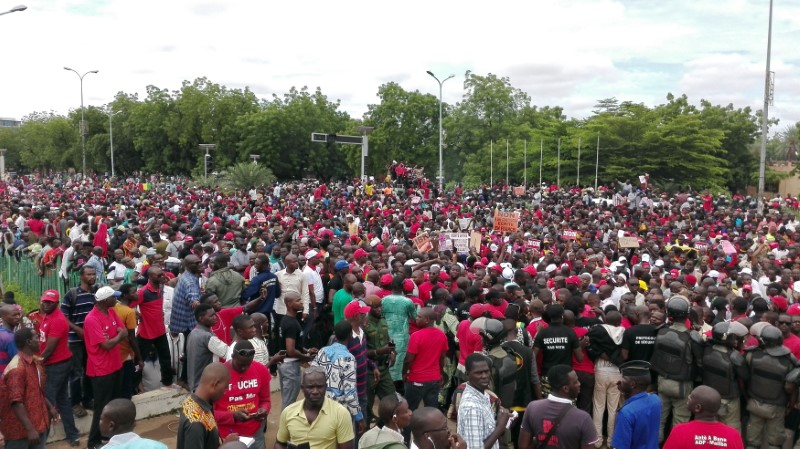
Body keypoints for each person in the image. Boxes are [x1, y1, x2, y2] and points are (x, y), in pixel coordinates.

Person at [650, 295, 703, 443]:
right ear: (687, 314)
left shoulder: (661, 332)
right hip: (682, 385)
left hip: (662, 381)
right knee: (680, 423)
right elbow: (700, 363)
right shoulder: (692, 337)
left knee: (659, 422)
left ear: (669, 314)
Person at [84, 286, 127, 449]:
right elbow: (107, 345)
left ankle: (109, 438)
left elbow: (122, 331)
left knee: (114, 404)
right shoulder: (92, 319)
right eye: (113, 297)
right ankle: (93, 442)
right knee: (102, 407)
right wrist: (118, 336)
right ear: (104, 300)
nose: (116, 300)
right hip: (101, 370)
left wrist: (116, 336)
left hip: (116, 365)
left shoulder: (111, 312)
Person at [0, 328, 57, 449]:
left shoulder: (34, 363)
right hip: (20, 432)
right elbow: (16, 402)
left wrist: (50, 407)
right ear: (28, 342)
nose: (40, 340)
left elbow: (36, 390)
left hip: (36, 425)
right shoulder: (17, 368)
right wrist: (30, 429)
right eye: (36, 337)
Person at [518, 364, 599, 449]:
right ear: (565, 388)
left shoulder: (532, 408)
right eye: (575, 382)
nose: (579, 384)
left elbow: (523, 446)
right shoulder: (583, 418)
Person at [38, 289, 81, 447]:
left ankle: (41, 442)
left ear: (56, 303)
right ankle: (73, 436)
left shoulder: (57, 319)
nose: (46, 304)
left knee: (47, 403)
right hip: (58, 363)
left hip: (56, 365)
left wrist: (38, 362)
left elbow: (49, 349)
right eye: (44, 301)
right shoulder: (48, 316)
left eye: (50, 302)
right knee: (63, 400)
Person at [276, 366, 355, 449]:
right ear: (302, 388)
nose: (315, 392)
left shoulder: (340, 413)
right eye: (310, 387)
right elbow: (280, 443)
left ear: (326, 387)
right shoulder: (288, 412)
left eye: (320, 387)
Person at [744, 324, 796, 449]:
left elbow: (745, 378)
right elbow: (790, 387)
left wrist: (746, 396)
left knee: (752, 441)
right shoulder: (789, 360)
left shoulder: (751, 355)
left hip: (754, 402)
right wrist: (791, 405)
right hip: (777, 407)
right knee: (774, 443)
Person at [213, 341, 272, 449]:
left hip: (255, 433)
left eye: (248, 365)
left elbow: (266, 401)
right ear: (232, 356)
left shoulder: (261, 370)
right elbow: (210, 413)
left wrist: (264, 410)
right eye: (240, 365)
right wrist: (233, 416)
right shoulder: (219, 375)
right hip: (230, 436)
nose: (244, 368)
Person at [311, 320, 363, 431]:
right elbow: (350, 392)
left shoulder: (322, 351)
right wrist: (359, 417)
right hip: (339, 411)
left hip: (320, 407)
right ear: (350, 335)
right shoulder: (348, 359)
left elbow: (311, 375)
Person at [62, 265, 98, 418]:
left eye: (94, 274)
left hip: (92, 340)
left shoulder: (96, 293)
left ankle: (88, 399)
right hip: (76, 340)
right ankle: (75, 403)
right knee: (76, 372)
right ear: (81, 276)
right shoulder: (72, 294)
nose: (92, 277)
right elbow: (63, 316)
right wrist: (78, 330)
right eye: (89, 274)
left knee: (90, 370)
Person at [177, 362, 239, 449]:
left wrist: (222, 442)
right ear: (215, 384)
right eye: (225, 387)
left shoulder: (195, 401)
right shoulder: (196, 423)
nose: (225, 392)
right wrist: (225, 446)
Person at [702, 321, 749, 431]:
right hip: (729, 399)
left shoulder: (707, 349)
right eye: (734, 338)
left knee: (709, 427)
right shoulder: (735, 357)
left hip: (709, 396)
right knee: (731, 428)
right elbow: (745, 376)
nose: (736, 340)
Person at [131, 266, 174, 388]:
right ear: (150, 277)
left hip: (160, 331)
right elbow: (128, 306)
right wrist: (136, 314)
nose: (162, 277)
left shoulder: (160, 289)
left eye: (162, 274)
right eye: (158, 275)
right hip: (146, 333)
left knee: (166, 358)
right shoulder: (143, 292)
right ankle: (133, 387)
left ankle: (167, 382)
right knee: (139, 362)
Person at [457, 353, 510, 449]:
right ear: (467, 374)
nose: (484, 376)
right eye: (478, 373)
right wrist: (500, 427)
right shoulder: (471, 407)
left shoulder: (483, 394)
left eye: (487, 371)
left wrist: (499, 419)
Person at [663, 386, 744, 449]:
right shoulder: (733, 435)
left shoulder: (680, 432)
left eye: (691, 397)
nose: (688, 397)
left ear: (697, 408)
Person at [403, 307, 448, 411]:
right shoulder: (442, 335)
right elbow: (442, 358)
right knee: (431, 410)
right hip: (434, 379)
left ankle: (408, 428)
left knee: (409, 410)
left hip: (416, 379)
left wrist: (404, 373)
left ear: (427, 320)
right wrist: (440, 373)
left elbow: (408, 359)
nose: (416, 318)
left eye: (419, 317)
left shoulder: (416, 336)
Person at [278, 292, 317, 409]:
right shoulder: (290, 323)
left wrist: (307, 350)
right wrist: (306, 358)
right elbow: (290, 350)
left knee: (288, 398)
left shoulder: (289, 320)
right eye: (298, 301)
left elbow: (295, 345)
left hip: (287, 365)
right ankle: (286, 426)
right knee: (289, 402)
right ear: (289, 304)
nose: (302, 303)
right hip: (290, 367)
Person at [533, 305, 583, 395]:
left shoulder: (542, 333)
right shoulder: (570, 332)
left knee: (548, 404)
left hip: (548, 375)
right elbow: (580, 358)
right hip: (567, 377)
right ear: (562, 316)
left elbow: (533, 355)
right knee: (567, 405)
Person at [610, 360, 661, 449]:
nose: (620, 381)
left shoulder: (626, 413)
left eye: (623, 378)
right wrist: (625, 392)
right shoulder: (656, 400)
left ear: (632, 384)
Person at [170, 255, 203, 386]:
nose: (200, 265)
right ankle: (186, 379)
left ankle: (184, 378)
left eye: (200, 262)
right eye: (196, 263)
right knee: (192, 352)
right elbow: (193, 300)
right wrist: (204, 307)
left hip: (182, 321)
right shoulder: (189, 281)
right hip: (188, 322)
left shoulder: (186, 276)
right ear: (188, 265)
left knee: (188, 350)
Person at [365, 295, 397, 424]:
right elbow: (361, 352)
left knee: (392, 401)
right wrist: (379, 352)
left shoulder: (383, 322)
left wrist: (392, 352)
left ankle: (384, 427)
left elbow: (388, 340)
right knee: (367, 404)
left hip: (384, 369)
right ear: (369, 308)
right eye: (375, 307)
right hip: (369, 371)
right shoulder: (364, 325)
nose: (379, 309)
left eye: (380, 306)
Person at [381, 277, 417, 387]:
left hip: (387, 335)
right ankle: (397, 388)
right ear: (402, 287)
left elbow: (381, 316)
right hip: (402, 337)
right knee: (400, 362)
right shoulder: (408, 302)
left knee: (388, 359)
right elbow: (415, 318)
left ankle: (387, 386)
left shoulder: (384, 300)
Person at [186, 304, 229, 392]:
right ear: (201, 318)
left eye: (215, 314)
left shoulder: (193, 333)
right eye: (211, 315)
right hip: (205, 386)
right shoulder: (207, 337)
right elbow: (228, 353)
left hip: (194, 384)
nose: (215, 317)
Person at [99, 398, 168, 449]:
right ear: (134, 423)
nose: (99, 422)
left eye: (101, 419)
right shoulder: (158, 446)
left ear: (111, 426)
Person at [114, 283, 143, 399]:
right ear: (126, 295)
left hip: (116, 351)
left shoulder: (114, 307)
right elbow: (132, 338)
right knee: (127, 385)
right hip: (126, 353)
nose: (137, 294)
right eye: (133, 292)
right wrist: (139, 358)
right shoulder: (129, 312)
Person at [0, 304, 21, 373]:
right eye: (14, 315)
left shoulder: (2, 333)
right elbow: (18, 361)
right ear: (4, 317)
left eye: (19, 314)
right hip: (6, 377)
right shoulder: (10, 337)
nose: (18, 317)